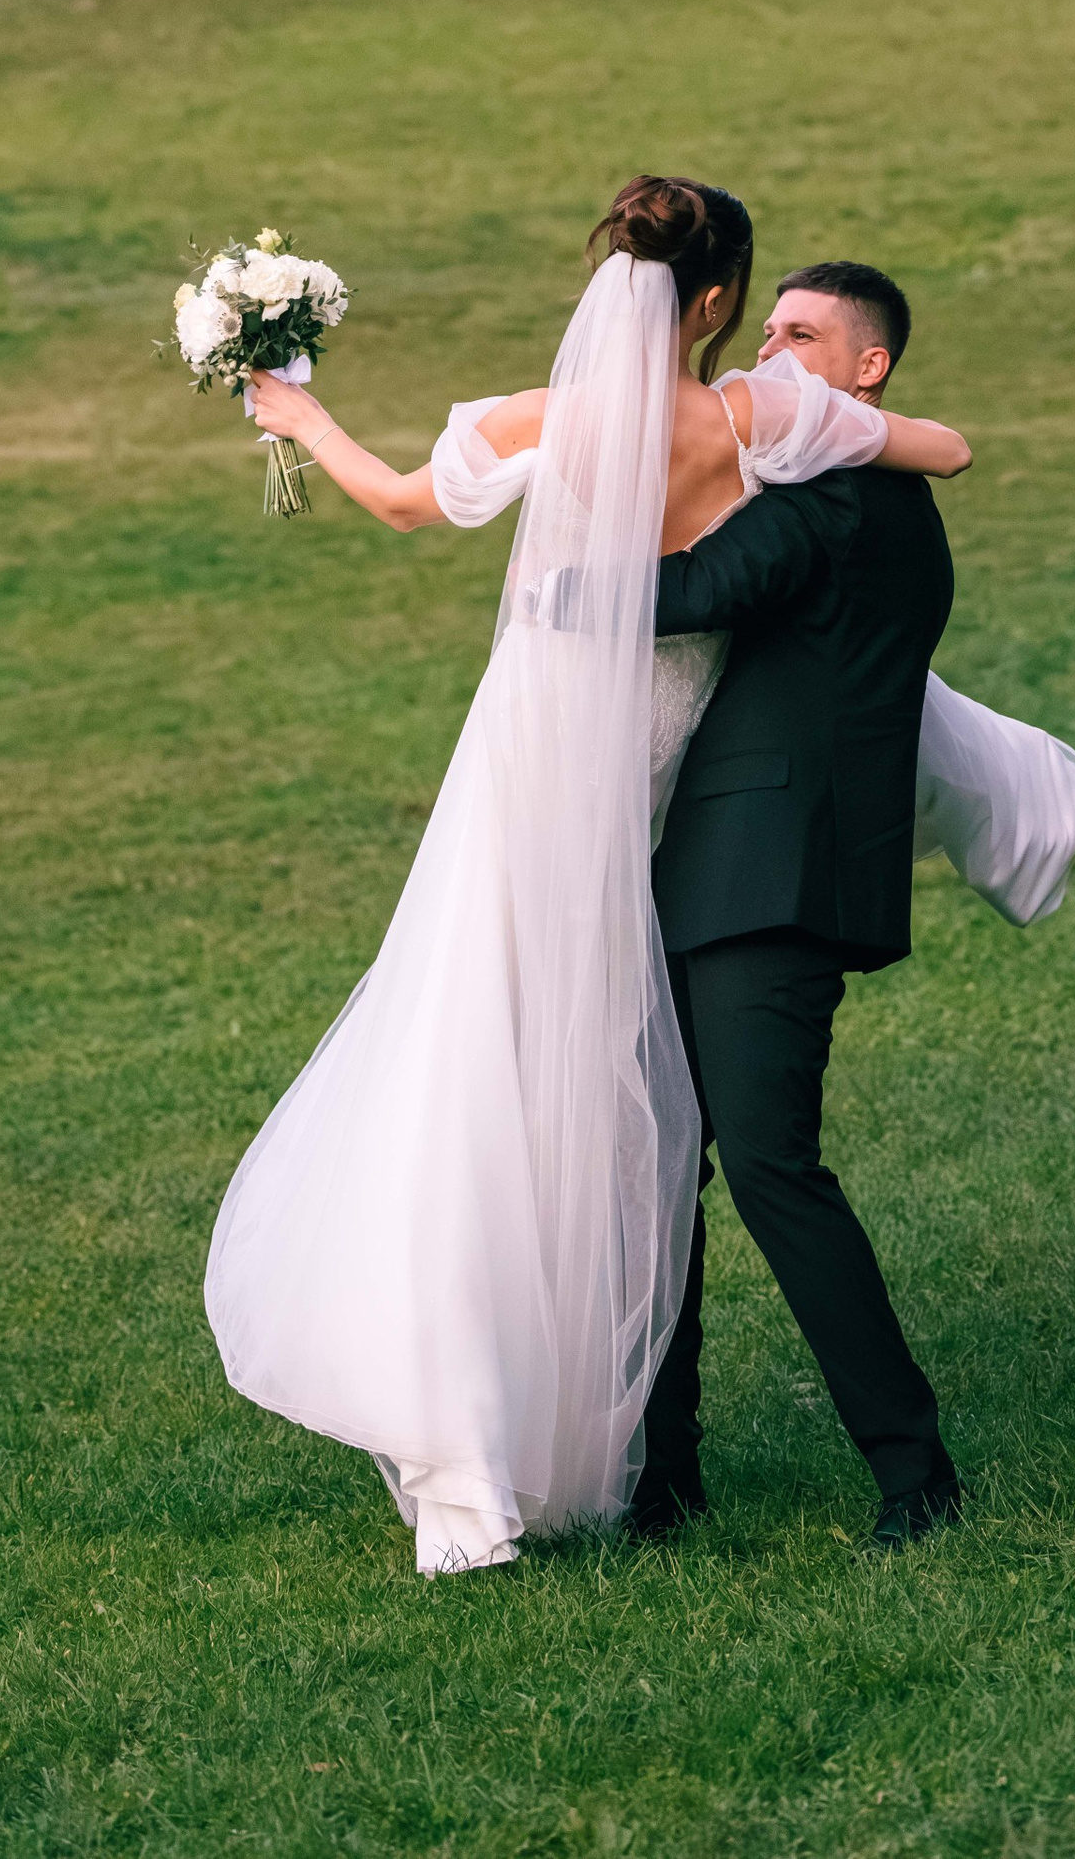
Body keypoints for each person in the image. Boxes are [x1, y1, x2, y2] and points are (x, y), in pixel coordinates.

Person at [201, 179, 972, 1578]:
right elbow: (948, 445)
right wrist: (841, 405)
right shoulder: (763, 422)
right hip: (665, 783)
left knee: (517, 1078)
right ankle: (631, 1449)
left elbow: (394, 501)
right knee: (620, 1122)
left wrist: (296, 409)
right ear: (724, 302)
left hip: (544, 763)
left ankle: (530, 1421)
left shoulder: (546, 417)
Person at [634, 260, 967, 1551]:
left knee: (772, 1169)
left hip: (767, 881)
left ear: (868, 368)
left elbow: (686, 593)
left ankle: (918, 1476)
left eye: (803, 333)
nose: (769, 348)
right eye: (764, 326)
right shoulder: (853, 492)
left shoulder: (841, 493)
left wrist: (554, 556)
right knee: (664, 1177)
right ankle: (660, 1482)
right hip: (725, 875)